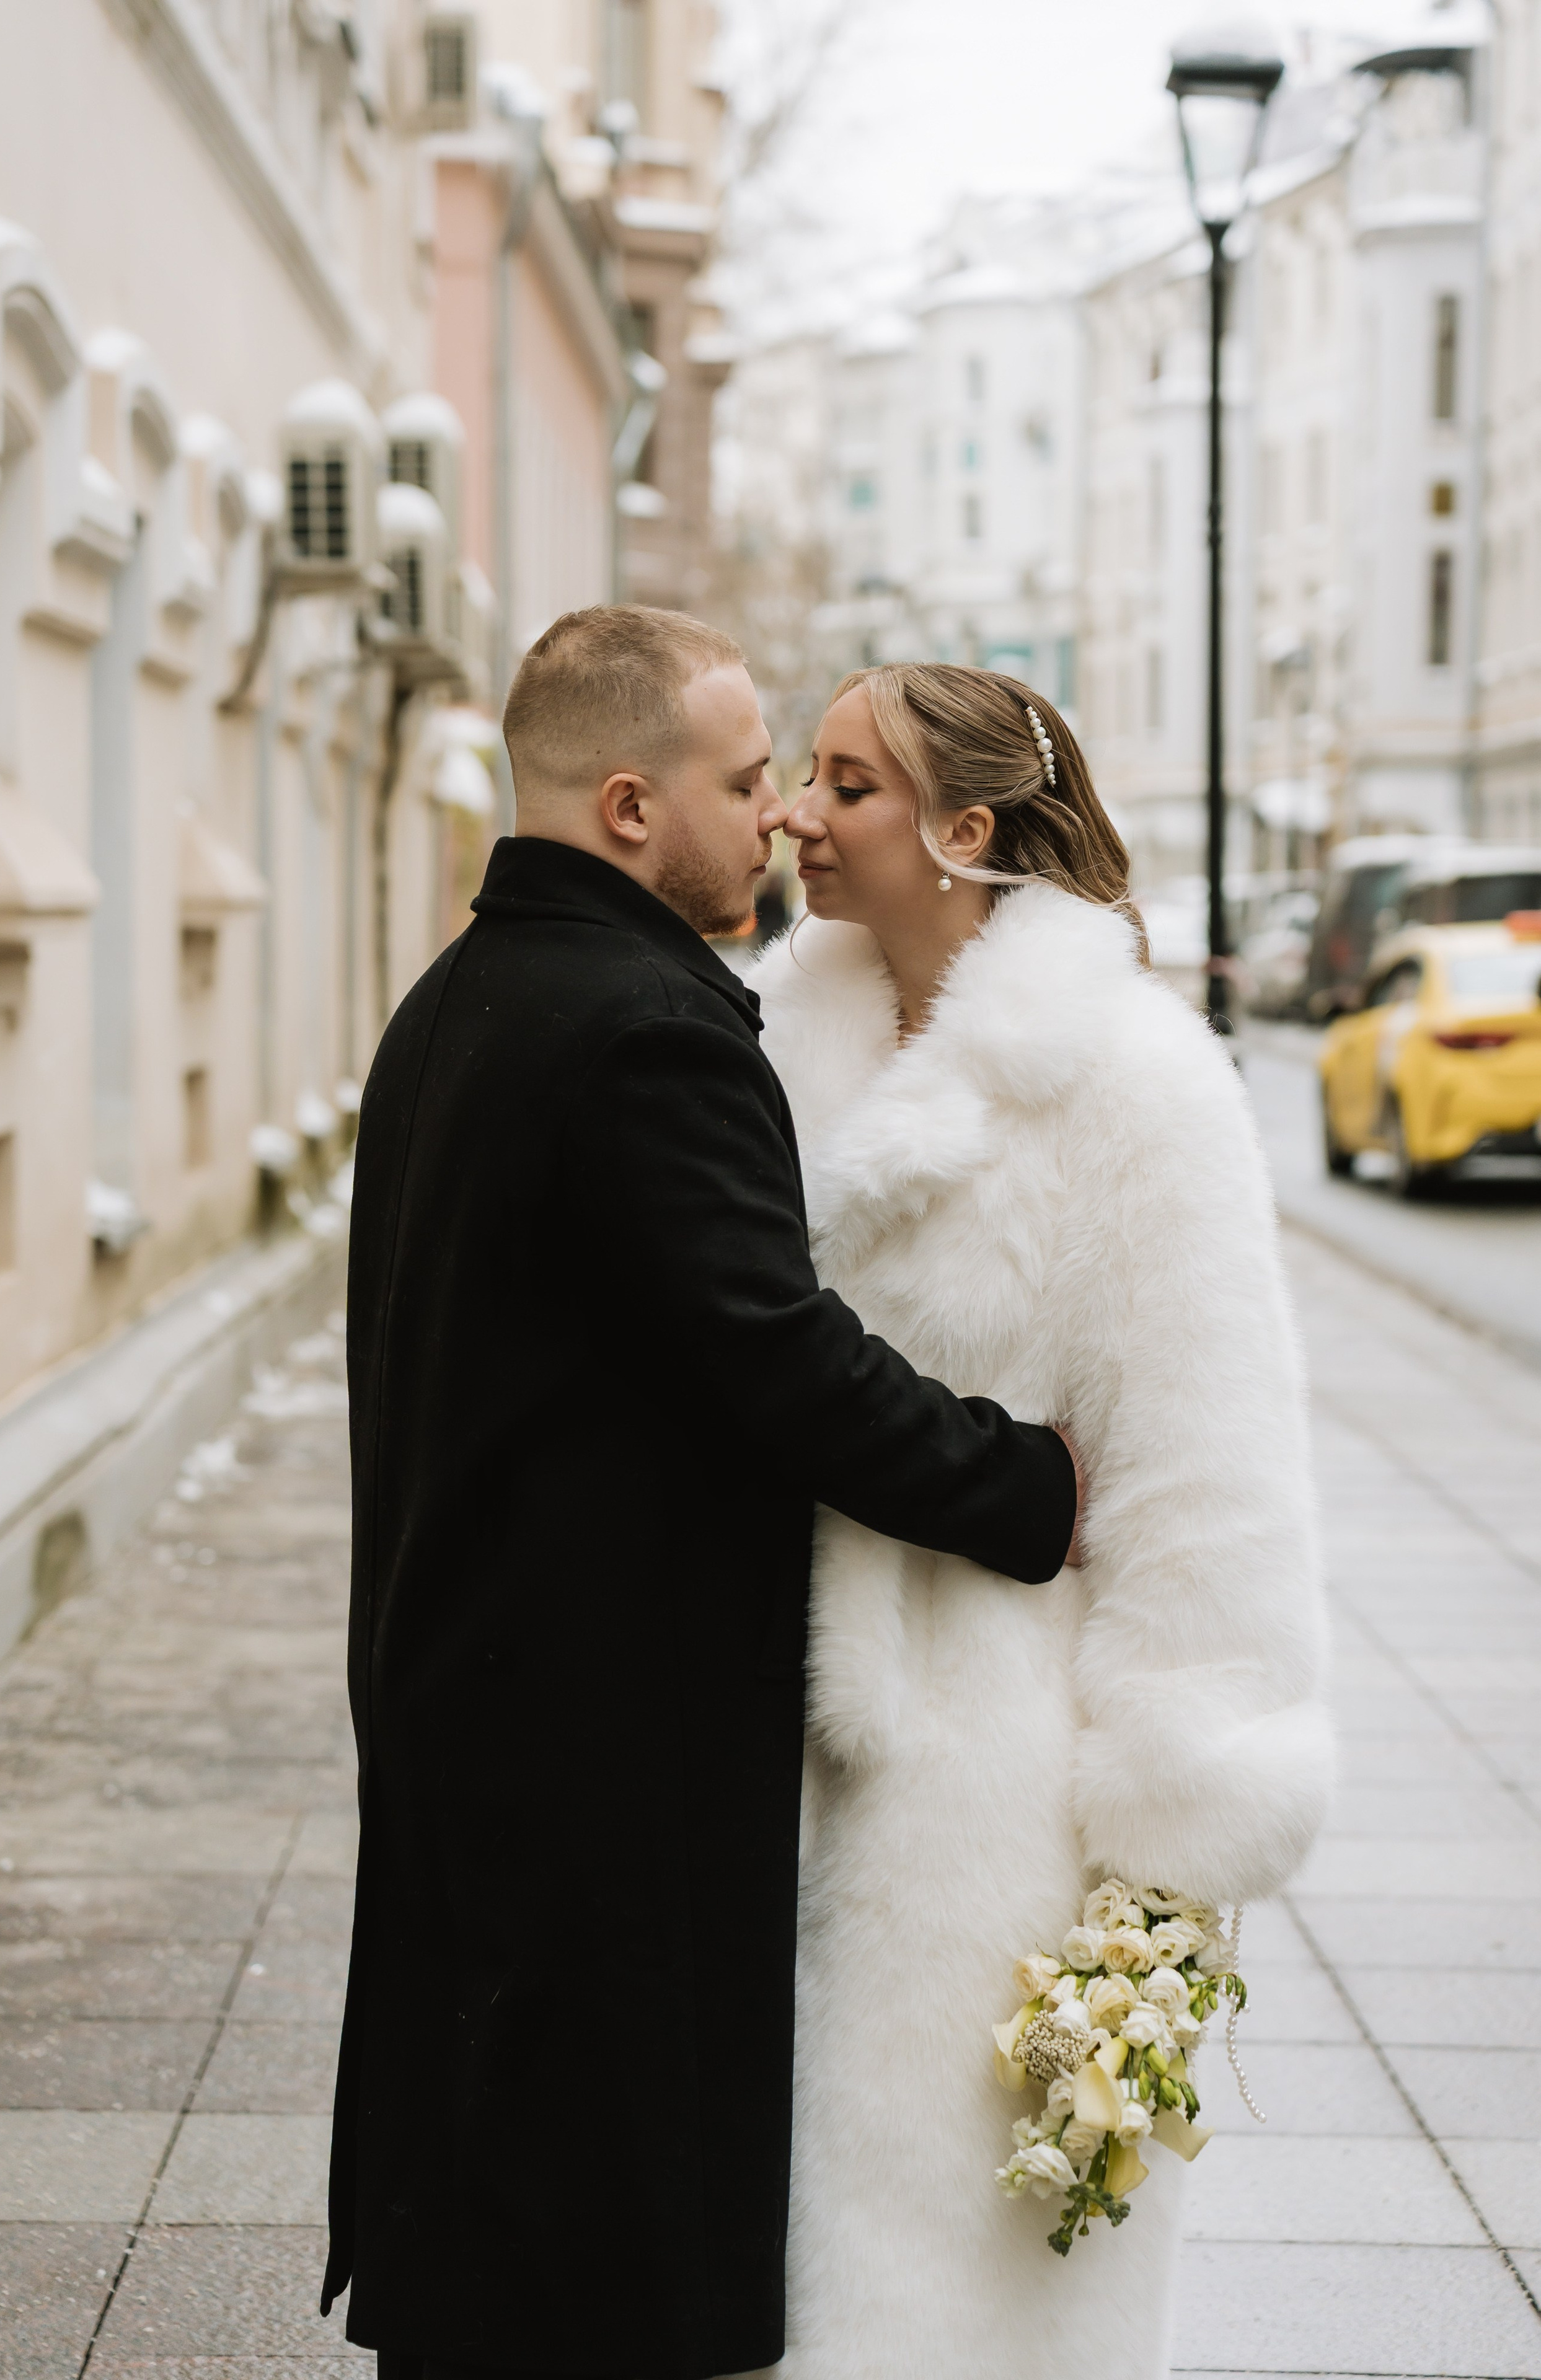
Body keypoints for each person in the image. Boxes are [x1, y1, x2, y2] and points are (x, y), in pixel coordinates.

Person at [322, 609, 1082, 2380]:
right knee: (605, 2274)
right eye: (748, 785)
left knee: (493, 2233)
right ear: (628, 807)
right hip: (608, 1758)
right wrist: (1026, 1487)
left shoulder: (452, 1007)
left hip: (466, 1705)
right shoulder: (650, 1031)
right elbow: (781, 1361)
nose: (778, 825)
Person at [743, 664, 1333, 2380]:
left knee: (970, 2282)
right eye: (800, 777)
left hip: (998, 1802)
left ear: (964, 829)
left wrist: (1161, 1882)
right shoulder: (771, 1055)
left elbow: (1212, 1483)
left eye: (845, 785)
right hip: (765, 1759)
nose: (796, 812)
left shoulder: (1135, 1088)